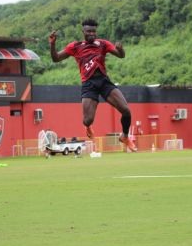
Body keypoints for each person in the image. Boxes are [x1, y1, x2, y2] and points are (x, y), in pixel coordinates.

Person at [48, 18, 137, 152]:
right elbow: (56, 58)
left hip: (104, 81)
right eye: (89, 31)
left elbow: (121, 55)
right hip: (89, 84)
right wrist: (52, 44)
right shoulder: (75, 46)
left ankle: (124, 136)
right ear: (83, 31)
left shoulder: (103, 44)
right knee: (87, 120)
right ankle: (88, 126)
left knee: (126, 110)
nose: (92, 34)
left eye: (94, 31)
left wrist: (121, 49)